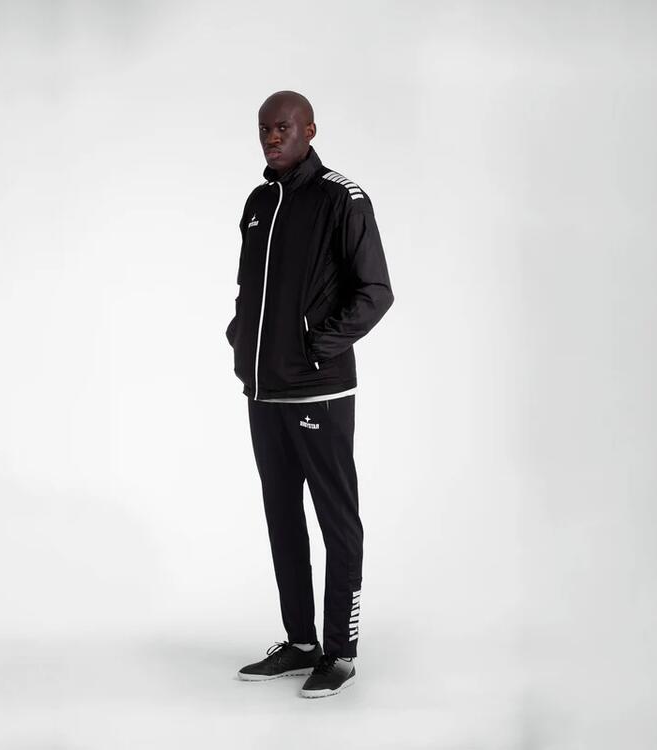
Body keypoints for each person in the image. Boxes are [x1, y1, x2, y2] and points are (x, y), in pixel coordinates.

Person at [225, 90, 394, 698]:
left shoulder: (340, 198)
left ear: (309, 131)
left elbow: (375, 291)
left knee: (336, 520)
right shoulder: (258, 203)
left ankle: (340, 652)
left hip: (319, 392)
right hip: (264, 393)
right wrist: (241, 337)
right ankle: (300, 642)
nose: (272, 137)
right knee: (282, 517)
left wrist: (316, 346)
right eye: (264, 129)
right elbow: (249, 289)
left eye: (283, 128)